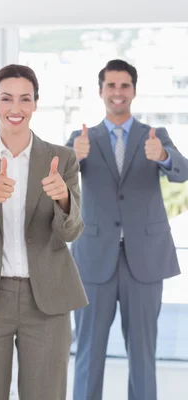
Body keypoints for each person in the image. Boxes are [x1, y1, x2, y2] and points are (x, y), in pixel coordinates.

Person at [0, 64, 88, 400]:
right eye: (7, 98)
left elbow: (71, 231)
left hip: (47, 301)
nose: (16, 108)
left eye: (25, 99)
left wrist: (64, 198)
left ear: (35, 105)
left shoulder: (63, 159)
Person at [68, 59, 188, 400]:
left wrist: (163, 155)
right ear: (101, 91)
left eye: (124, 86)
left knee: (142, 353)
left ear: (133, 91)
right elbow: (56, 178)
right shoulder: (82, 138)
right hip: (94, 260)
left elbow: (183, 171)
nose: (117, 92)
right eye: (111, 86)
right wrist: (71, 157)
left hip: (145, 260)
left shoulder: (155, 135)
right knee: (88, 351)